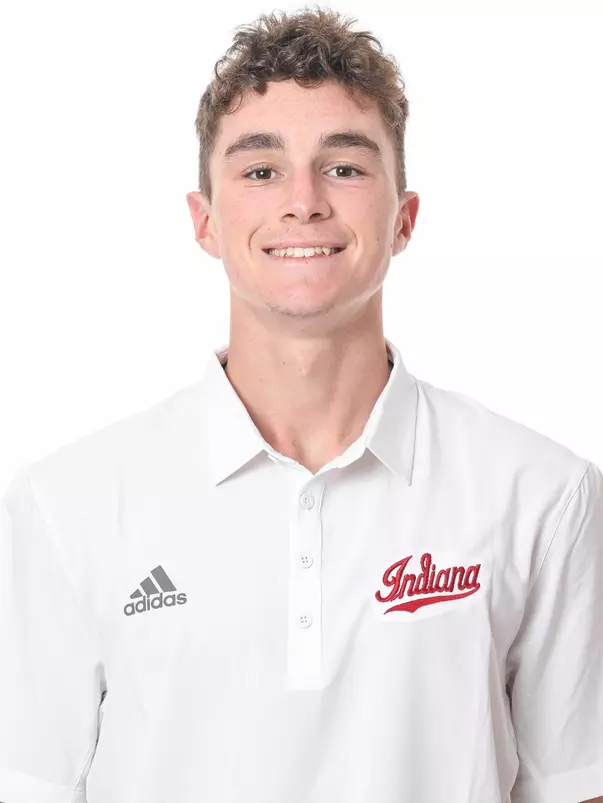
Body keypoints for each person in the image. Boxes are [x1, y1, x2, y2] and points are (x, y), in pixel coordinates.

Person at [0, 6, 602, 803]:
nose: (303, 201)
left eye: (345, 167)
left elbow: (576, 785)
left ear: (404, 219)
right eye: (260, 170)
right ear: (205, 222)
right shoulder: (65, 505)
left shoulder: (541, 493)